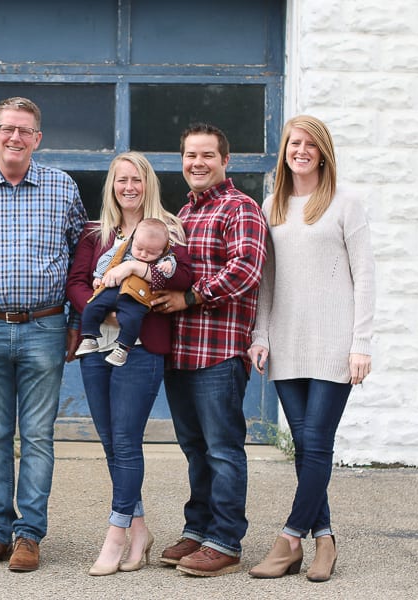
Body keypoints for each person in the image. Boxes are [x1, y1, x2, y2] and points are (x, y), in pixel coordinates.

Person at [0, 96, 87, 572]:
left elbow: (79, 265)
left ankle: (28, 534)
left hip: (44, 328)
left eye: (25, 130)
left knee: (38, 436)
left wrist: (74, 323)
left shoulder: (62, 188)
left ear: (37, 139)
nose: (15, 137)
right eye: (7, 128)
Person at [246, 115, 374, 582]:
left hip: (335, 342)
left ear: (323, 151)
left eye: (309, 144)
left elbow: (366, 278)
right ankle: (325, 541)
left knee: (316, 442)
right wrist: (261, 335)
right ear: (284, 150)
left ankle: (289, 538)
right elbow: (267, 281)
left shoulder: (345, 203)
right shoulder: (272, 206)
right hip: (287, 341)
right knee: (305, 447)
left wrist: (361, 343)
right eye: (293, 143)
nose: (300, 150)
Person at [66, 152, 192, 576]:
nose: (129, 187)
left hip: (141, 350)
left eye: (136, 179)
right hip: (97, 347)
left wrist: (139, 270)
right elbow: (77, 283)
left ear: (148, 184)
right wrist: (105, 311)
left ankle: (116, 533)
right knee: (110, 442)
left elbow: (182, 276)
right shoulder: (95, 235)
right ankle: (140, 530)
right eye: (121, 179)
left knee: (125, 442)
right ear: (112, 186)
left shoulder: (167, 230)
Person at [150, 123, 268, 577]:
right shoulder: (182, 213)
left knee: (222, 449)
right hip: (180, 352)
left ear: (225, 160)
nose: (197, 163)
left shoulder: (241, 208)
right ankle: (198, 530)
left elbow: (245, 270)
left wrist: (191, 296)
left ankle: (225, 540)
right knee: (195, 449)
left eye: (207, 155)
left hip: (218, 351)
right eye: (189, 156)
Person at [76, 217, 179, 367]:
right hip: (112, 289)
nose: (143, 254)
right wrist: (98, 276)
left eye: (150, 252)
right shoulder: (124, 248)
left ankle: (123, 348)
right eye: (139, 248)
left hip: (136, 295)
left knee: (132, 319)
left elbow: (168, 271)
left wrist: (168, 264)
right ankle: (89, 337)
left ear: (161, 250)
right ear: (134, 240)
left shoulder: (165, 257)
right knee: (92, 306)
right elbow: (107, 259)